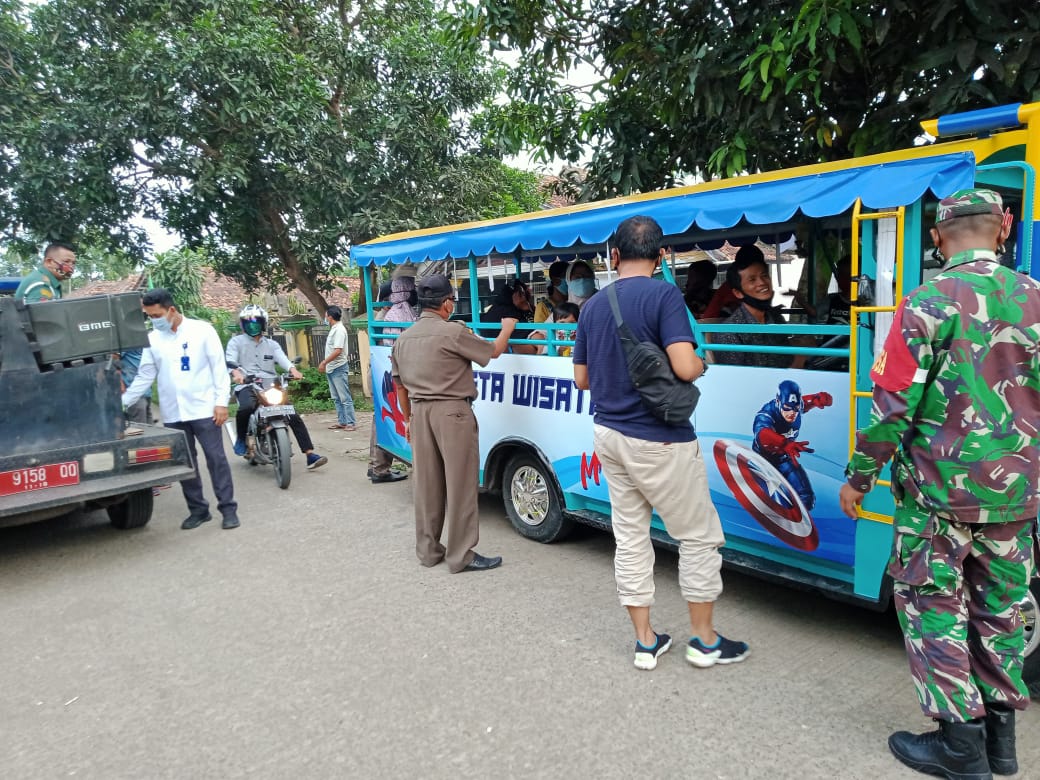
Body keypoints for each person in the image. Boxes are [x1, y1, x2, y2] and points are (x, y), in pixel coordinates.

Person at [840, 189, 1040, 779]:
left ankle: (960, 744)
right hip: (1016, 496)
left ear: (937, 236)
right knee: (1001, 610)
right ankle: (1001, 744)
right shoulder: (1037, 300)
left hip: (937, 500)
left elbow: (891, 407)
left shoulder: (925, 304)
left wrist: (859, 476)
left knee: (935, 608)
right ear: (1002, 231)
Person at [573, 215, 748, 671]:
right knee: (697, 536)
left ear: (613, 256)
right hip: (660, 439)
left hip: (609, 435)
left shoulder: (592, 306)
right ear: (661, 256)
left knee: (630, 538)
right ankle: (705, 641)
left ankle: (645, 642)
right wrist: (702, 364)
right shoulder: (665, 295)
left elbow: (581, 379)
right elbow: (686, 368)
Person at [391, 274, 517, 573]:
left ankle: (429, 550)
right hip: (452, 414)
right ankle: (461, 555)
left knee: (427, 485)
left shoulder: (403, 339)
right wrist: (508, 327)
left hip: (419, 414)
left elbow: (399, 387)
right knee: (460, 485)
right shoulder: (452, 332)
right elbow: (494, 351)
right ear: (447, 303)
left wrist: (409, 418)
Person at [122, 288, 240, 530]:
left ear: (171, 310)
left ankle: (228, 509)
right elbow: (145, 375)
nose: (153, 321)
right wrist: (122, 403)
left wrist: (221, 403)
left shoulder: (202, 330)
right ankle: (198, 510)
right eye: (149, 316)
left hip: (205, 409)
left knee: (216, 459)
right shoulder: (152, 339)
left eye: (156, 315)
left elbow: (219, 369)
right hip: (173, 413)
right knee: (186, 463)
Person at [225, 304, 328, 471]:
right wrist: (237, 374)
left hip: (269, 384)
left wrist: (293, 370)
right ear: (243, 325)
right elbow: (231, 361)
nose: (252, 325)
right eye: (248, 322)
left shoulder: (272, 344)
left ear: (263, 323)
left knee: (292, 414)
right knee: (246, 408)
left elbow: (283, 360)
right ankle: (241, 440)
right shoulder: (236, 342)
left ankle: (310, 454)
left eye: (256, 322)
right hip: (248, 384)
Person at [713, 244, 806, 368]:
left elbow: (785, 357)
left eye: (764, 276)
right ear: (738, 293)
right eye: (752, 280)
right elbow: (736, 380)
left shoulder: (775, 318)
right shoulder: (729, 333)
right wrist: (799, 360)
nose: (762, 283)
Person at [752, 381, 832, 510]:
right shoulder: (767, 414)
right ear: (778, 402)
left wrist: (819, 398)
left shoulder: (796, 406)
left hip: (784, 458)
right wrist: (784, 443)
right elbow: (762, 433)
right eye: (787, 408)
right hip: (762, 461)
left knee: (807, 498)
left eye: (796, 409)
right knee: (769, 500)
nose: (792, 413)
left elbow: (806, 402)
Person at [368, 274, 411, 484]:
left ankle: (376, 466)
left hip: (387, 370)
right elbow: (394, 347)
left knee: (381, 418)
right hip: (387, 372)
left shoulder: (395, 314)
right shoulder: (391, 316)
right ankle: (379, 468)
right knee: (384, 418)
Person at [318, 305, 356, 431]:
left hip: (338, 367)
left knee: (344, 397)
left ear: (330, 316)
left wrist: (324, 362)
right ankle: (342, 421)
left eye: (326, 315)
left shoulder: (339, 330)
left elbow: (338, 350)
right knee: (336, 398)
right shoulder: (334, 329)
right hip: (332, 367)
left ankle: (350, 422)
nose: (325, 317)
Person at [483, 279, 535, 353]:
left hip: (492, 346)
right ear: (518, 294)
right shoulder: (509, 311)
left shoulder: (498, 306)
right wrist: (526, 309)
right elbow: (529, 333)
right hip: (502, 348)